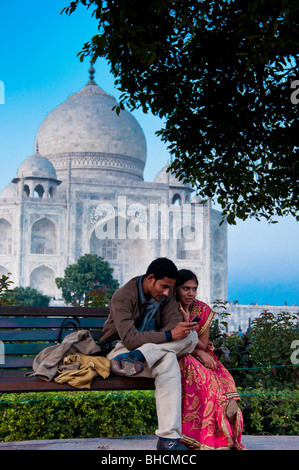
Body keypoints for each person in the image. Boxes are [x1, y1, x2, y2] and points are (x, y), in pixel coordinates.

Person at [99, 258, 198, 450]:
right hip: (119, 352)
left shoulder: (166, 295)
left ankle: (169, 440)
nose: (167, 293)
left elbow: (174, 324)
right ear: (151, 278)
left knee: (190, 337)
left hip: (140, 358)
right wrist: (169, 335)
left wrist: (164, 338)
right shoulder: (123, 296)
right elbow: (130, 339)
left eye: (170, 288)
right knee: (169, 357)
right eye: (163, 286)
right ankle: (169, 440)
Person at [175, 269, 246, 450]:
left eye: (194, 289)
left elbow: (204, 343)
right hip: (180, 354)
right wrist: (191, 334)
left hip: (201, 353)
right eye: (186, 288)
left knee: (223, 379)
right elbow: (175, 341)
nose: (191, 293)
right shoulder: (171, 309)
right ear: (176, 289)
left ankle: (226, 418)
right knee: (205, 380)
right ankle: (218, 419)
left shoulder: (203, 309)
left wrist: (199, 349)